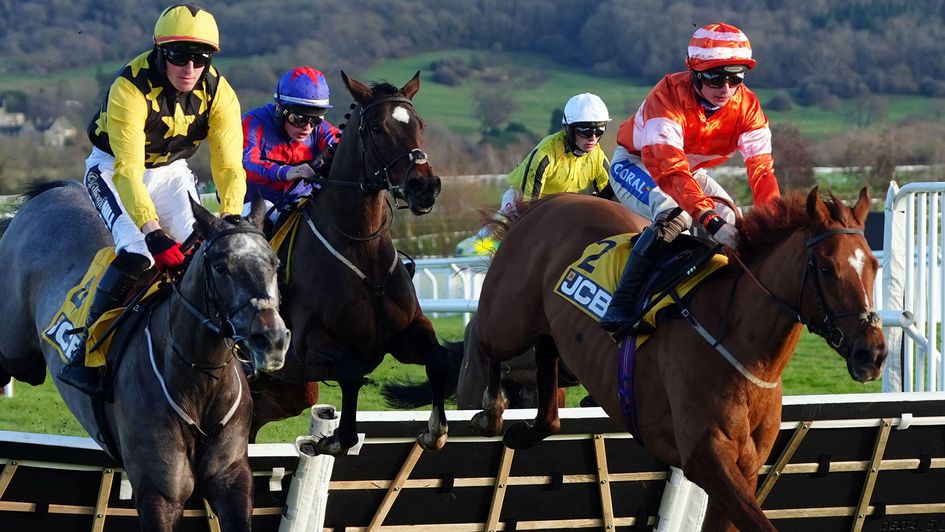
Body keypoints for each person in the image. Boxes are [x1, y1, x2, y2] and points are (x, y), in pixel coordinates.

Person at [60, 3, 247, 393]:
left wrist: (229, 218)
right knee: (138, 254)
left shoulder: (219, 92)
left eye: (200, 58)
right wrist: (151, 231)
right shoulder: (129, 86)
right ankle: (88, 348)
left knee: (202, 254)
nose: (190, 69)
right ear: (161, 52)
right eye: (179, 56)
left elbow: (229, 167)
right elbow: (129, 171)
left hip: (171, 171)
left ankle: (220, 346)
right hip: (113, 169)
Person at [599, 22, 781, 336]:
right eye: (715, 77)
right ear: (695, 72)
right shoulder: (667, 96)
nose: (725, 88)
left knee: (734, 221)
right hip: (640, 164)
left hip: (690, 172)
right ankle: (622, 303)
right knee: (674, 215)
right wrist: (708, 220)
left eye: (735, 77)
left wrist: (775, 222)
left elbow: (762, 172)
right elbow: (670, 171)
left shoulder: (748, 107)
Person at [457, 93, 613, 255]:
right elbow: (528, 205)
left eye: (599, 130)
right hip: (522, 202)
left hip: (559, 206)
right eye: (585, 131)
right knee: (510, 241)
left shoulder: (597, 156)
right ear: (569, 129)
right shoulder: (546, 154)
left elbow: (610, 195)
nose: (593, 138)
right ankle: (469, 250)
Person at [242, 66, 341, 224]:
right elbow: (245, 163)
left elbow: (341, 145)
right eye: (299, 119)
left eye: (315, 120)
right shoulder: (253, 122)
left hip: (300, 203)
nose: (308, 127)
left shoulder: (320, 129)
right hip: (255, 207)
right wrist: (284, 172)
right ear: (280, 109)